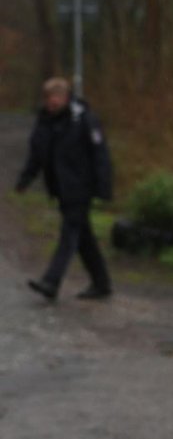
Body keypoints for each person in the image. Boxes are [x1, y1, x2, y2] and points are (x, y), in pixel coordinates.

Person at [14, 77, 115, 300]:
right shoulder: (45, 122)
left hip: (81, 187)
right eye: (49, 97)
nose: (52, 101)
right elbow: (37, 154)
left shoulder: (84, 120)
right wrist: (25, 180)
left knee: (69, 234)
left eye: (57, 97)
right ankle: (102, 283)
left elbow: (100, 155)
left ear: (66, 97)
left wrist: (103, 187)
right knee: (83, 237)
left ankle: (51, 281)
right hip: (61, 189)